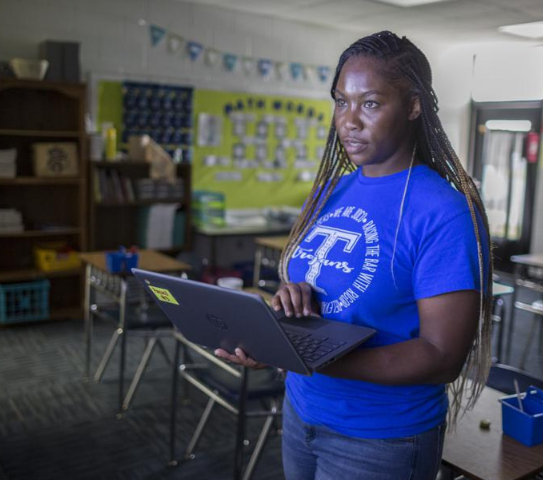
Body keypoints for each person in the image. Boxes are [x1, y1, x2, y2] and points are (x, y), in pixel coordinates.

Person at [215, 30, 494, 480]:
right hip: (303, 412)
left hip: (381, 439)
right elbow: (322, 284)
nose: (348, 121)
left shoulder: (444, 212)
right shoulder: (333, 190)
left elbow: (443, 357)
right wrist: (292, 303)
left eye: (370, 103)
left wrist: (305, 355)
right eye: (341, 101)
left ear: (413, 106)